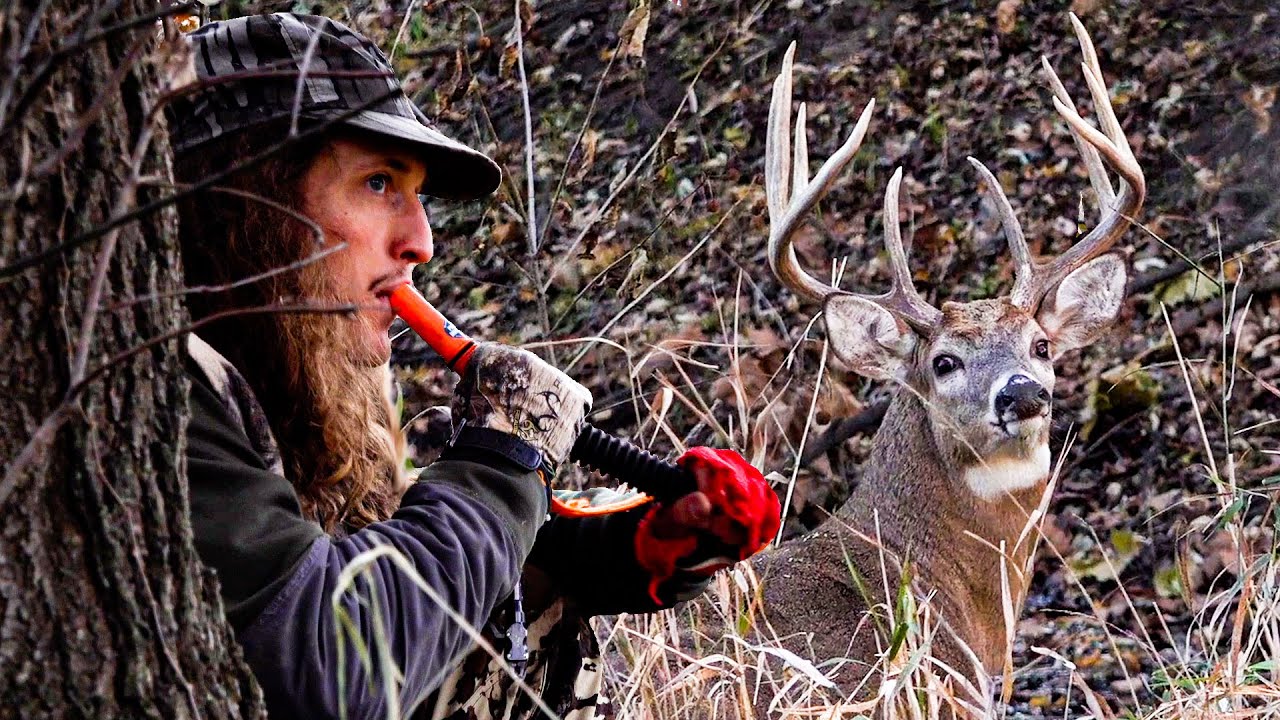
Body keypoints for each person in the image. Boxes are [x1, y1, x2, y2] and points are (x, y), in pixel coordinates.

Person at [165, 13, 781, 720]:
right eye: (376, 183)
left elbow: (411, 582)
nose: (419, 239)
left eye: (415, 192)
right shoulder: (164, 389)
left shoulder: (296, 376)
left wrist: (623, 550)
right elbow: (331, 663)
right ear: (248, 199)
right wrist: (504, 461)